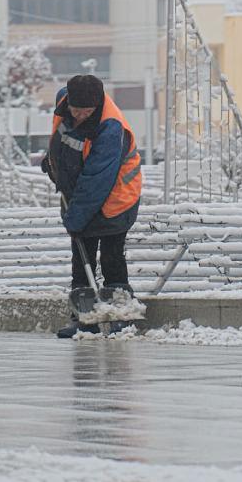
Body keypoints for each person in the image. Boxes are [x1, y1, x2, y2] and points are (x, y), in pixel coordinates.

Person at [41, 73, 142, 337]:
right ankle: (85, 318)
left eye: (87, 111)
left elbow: (97, 179)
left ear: (96, 106)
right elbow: (65, 142)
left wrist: (76, 216)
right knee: (81, 254)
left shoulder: (110, 127)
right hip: (80, 196)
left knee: (111, 255)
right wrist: (52, 161)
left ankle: (122, 316)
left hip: (116, 197)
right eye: (76, 110)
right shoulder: (64, 104)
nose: (81, 116)